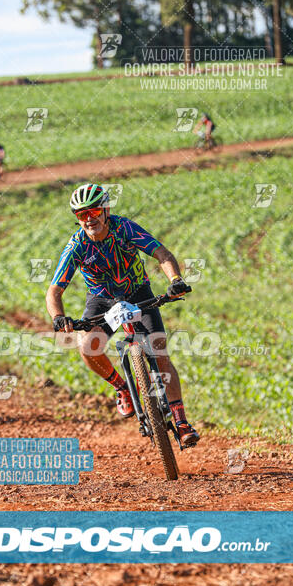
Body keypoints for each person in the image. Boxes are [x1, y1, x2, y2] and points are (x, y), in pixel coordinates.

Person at [46, 184, 199, 446]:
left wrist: (175, 279)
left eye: (93, 211)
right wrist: (59, 317)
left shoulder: (124, 228)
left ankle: (181, 421)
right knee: (87, 347)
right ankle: (122, 387)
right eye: (82, 215)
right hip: (101, 300)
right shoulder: (77, 246)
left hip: (138, 291)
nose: (89, 219)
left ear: (106, 210)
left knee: (159, 353)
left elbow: (161, 253)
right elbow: (54, 291)